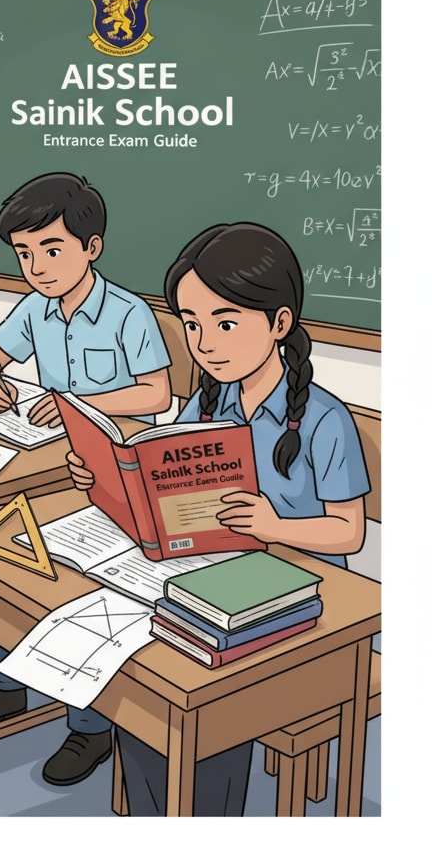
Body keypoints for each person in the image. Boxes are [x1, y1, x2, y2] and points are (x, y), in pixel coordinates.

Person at [67, 221, 369, 815]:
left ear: (280, 324)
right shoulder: (209, 400)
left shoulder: (323, 420)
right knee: (142, 674)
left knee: (192, 698)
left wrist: (273, 525)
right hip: (215, 573)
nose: (204, 342)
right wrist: (108, 481)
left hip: (301, 600)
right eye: (191, 323)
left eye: (225, 322)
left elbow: (349, 533)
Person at [0, 172, 173, 786]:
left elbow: (158, 392)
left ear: (90, 248)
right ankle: (5, 684)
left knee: (80, 589)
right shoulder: (35, 309)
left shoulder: (128, 314)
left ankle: (90, 727)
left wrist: (79, 399)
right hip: (50, 468)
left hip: (117, 479)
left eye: (51, 249)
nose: (37, 266)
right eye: (24, 253)